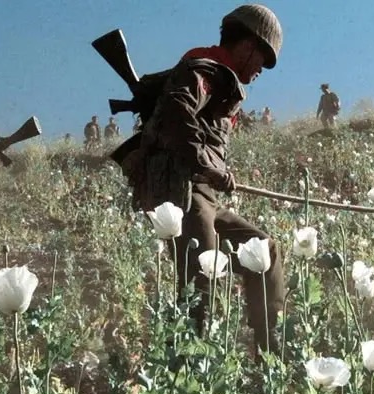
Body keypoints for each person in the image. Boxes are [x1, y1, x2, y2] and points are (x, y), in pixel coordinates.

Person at [118, 4, 285, 358]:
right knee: (202, 279)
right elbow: (177, 110)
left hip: (202, 194)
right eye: (262, 59)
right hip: (184, 190)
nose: (260, 70)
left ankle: (270, 353)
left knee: (262, 249)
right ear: (248, 46)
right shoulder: (207, 68)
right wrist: (208, 165)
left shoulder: (218, 76)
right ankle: (185, 365)